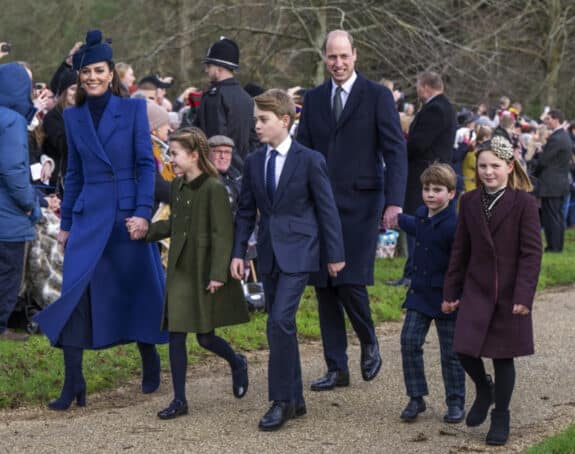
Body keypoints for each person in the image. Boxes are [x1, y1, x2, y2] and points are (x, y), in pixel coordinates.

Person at [33, 30, 168, 410]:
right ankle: (74, 381)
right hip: (89, 216)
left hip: (127, 217)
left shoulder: (134, 110)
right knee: (75, 294)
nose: (92, 77)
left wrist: (143, 213)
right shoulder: (73, 117)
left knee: (139, 288)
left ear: (111, 74)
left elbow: (145, 165)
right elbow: (72, 172)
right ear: (80, 76)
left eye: (99, 70)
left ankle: (150, 356)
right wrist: (66, 224)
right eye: (86, 71)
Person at [297, 29, 406, 391]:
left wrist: (394, 201)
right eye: (332, 57)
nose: (338, 63)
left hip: (362, 203)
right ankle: (336, 367)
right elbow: (303, 153)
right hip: (320, 205)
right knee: (325, 286)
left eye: (344, 56)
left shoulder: (376, 96)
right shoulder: (312, 99)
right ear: (324, 57)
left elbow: (394, 151)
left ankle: (369, 338)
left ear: (355, 55)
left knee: (350, 278)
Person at [231, 89, 344, 431]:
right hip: (268, 252)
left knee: (278, 321)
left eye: (262, 120)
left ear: (284, 120)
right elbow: (246, 211)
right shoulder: (253, 161)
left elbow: (327, 209)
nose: (257, 126)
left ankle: (280, 401)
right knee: (284, 326)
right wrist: (238, 252)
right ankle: (295, 399)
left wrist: (335, 254)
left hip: (301, 251)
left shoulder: (310, 159)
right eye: (255, 120)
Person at [142, 127, 250, 420]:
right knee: (176, 334)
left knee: (204, 337)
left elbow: (223, 233)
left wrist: (218, 273)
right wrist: (146, 231)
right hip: (180, 268)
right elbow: (176, 225)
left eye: (174, 154)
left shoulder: (213, 187)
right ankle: (180, 400)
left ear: (193, 155)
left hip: (204, 269)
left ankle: (236, 361)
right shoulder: (177, 187)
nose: (170, 159)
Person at [442, 135, 542, 446]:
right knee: (462, 347)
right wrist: (451, 291)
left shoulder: (524, 203)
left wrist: (524, 296)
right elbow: (460, 249)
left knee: (502, 356)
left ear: (510, 167)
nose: (488, 172)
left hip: (510, 292)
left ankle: (501, 415)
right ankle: (484, 389)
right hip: (476, 287)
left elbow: (531, 253)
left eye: (495, 166)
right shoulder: (469, 201)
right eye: (483, 166)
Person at [397, 164, 465, 424]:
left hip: (448, 297)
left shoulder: (456, 225)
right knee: (409, 341)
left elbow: (461, 263)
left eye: (437, 190)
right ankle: (416, 397)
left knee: (451, 352)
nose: (430, 194)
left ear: (451, 194)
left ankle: (456, 401)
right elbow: (415, 225)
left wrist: (456, 295)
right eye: (426, 189)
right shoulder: (422, 215)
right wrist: (394, 216)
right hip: (420, 294)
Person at [389, 71, 456, 288]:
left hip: (426, 173)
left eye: (418, 86)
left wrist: (398, 150)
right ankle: (412, 272)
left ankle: (413, 274)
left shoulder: (435, 109)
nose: (417, 90)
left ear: (425, 87)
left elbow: (419, 143)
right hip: (432, 170)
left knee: (419, 224)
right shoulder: (444, 106)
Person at [0, 62, 41, 341]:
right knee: (8, 272)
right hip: (8, 215)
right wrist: (30, 204)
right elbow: (13, 170)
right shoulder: (12, 121)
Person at [193, 37, 259, 171]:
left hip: (218, 170)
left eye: (209, 66)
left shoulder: (214, 96)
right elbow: (253, 139)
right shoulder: (246, 97)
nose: (206, 70)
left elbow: (215, 139)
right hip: (242, 171)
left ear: (218, 68)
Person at [532, 109, 572, 252]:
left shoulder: (556, 138)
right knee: (557, 216)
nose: (546, 121)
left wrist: (533, 172)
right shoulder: (564, 136)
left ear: (556, 120)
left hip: (552, 184)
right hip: (559, 183)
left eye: (548, 119)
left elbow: (544, 161)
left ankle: (554, 247)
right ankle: (557, 246)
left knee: (552, 218)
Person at [42, 68, 77, 193]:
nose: (77, 93)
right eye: (73, 89)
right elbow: (63, 146)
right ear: (64, 92)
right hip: (60, 183)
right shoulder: (53, 117)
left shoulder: (86, 114)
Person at [207, 135, 242, 214]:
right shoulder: (203, 177)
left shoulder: (236, 175)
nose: (222, 156)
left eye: (227, 152)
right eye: (218, 151)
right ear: (208, 153)